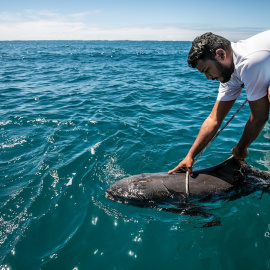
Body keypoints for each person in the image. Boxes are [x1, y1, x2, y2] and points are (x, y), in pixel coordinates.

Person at [168, 30, 270, 175]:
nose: (208, 78)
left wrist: (240, 149)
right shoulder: (229, 71)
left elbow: (260, 117)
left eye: (207, 70)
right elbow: (214, 119)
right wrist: (190, 156)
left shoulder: (249, 62)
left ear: (221, 54)